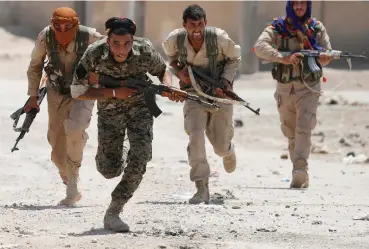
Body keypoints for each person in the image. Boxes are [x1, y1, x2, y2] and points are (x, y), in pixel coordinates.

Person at [70, 17, 184, 232]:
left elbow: (162, 70)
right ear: (107, 40)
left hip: (141, 108)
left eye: (127, 43)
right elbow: (77, 91)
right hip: (110, 112)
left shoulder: (145, 50)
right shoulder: (94, 54)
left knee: (140, 158)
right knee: (108, 170)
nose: (121, 50)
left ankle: (114, 210)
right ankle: (120, 150)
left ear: (133, 40)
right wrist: (114, 92)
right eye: (116, 44)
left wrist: (168, 87)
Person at [162, 4, 241, 204]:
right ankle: (201, 187)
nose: (196, 30)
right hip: (192, 93)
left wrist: (225, 82)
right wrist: (178, 72)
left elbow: (234, 58)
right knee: (195, 135)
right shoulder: (175, 40)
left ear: (206, 23)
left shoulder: (219, 39)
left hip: (218, 94)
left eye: (200, 24)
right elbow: (169, 57)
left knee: (220, 147)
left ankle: (229, 151)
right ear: (184, 25)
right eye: (192, 25)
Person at [25, 7, 104, 206]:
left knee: (75, 129)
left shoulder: (89, 36)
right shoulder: (46, 36)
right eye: (57, 25)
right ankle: (67, 174)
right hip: (56, 91)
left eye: (67, 26)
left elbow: (112, 55)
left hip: (84, 92)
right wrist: (32, 95)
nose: (62, 29)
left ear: (76, 24)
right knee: (56, 142)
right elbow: (35, 65)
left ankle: (73, 183)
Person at [253, 0, 332, 188]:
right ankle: (300, 171)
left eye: (302, 4)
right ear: (290, 5)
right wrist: (284, 58)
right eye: (295, 4)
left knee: (303, 126)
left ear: (308, 6)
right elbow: (259, 47)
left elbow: (327, 53)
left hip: (309, 87)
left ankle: (300, 170)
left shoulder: (316, 28)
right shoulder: (278, 27)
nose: (299, 7)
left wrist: (323, 57)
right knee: (290, 131)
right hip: (285, 87)